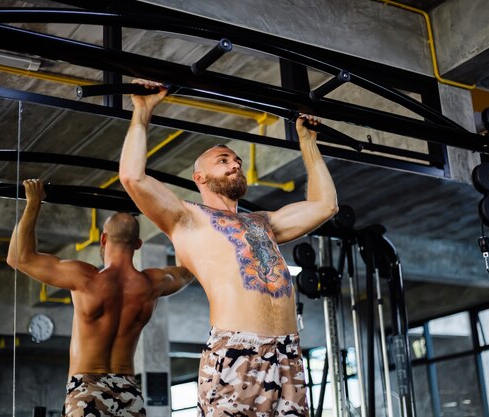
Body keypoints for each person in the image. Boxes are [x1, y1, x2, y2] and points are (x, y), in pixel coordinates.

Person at [119, 79, 338, 416]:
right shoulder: (187, 218)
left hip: (288, 354)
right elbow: (133, 178)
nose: (235, 164)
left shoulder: (264, 222)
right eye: (223, 160)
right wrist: (142, 112)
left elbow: (326, 206)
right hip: (237, 351)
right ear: (200, 177)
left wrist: (307, 142)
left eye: (236, 160)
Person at [7, 179, 195, 417]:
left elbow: (18, 257)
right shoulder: (152, 284)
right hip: (128, 391)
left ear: (104, 239)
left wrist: (33, 201)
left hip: (87, 388)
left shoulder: (86, 278)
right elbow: (188, 270)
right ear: (138, 244)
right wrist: (174, 221)